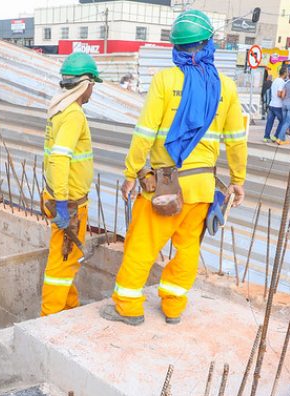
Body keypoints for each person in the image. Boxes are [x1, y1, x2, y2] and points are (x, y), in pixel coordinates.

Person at [102, 9, 247, 326]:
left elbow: (145, 132)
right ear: (209, 44)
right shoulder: (226, 88)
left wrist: (132, 172)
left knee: (142, 246)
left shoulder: (165, 80)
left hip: (165, 185)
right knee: (187, 249)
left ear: (176, 47)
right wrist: (237, 180)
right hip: (202, 189)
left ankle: (128, 307)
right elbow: (236, 140)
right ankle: (173, 307)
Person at [40, 52, 102, 316]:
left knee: (69, 258)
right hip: (70, 203)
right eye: (93, 85)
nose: (93, 91)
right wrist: (64, 204)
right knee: (61, 262)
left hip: (58, 197)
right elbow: (60, 158)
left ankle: (69, 307)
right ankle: (50, 317)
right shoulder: (73, 114)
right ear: (85, 84)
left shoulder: (59, 109)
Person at [263, 67, 287, 143]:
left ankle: (266, 137)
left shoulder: (275, 80)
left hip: (272, 104)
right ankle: (276, 136)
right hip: (278, 105)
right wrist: (284, 96)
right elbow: (279, 93)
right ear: (285, 73)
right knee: (282, 121)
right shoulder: (282, 82)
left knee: (269, 121)